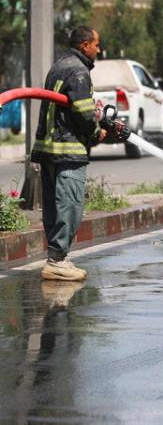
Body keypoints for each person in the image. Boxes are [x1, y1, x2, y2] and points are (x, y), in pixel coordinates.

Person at [31, 27, 108, 281]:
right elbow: (84, 112)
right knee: (70, 205)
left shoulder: (59, 66)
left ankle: (57, 257)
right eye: (96, 45)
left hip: (49, 150)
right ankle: (57, 261)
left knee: (54, 206)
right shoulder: (79, 70)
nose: (98, 50)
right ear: (85, 45)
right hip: (69, 151)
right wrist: (97, 132)